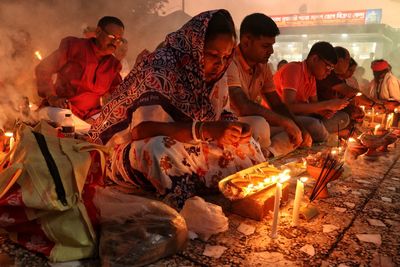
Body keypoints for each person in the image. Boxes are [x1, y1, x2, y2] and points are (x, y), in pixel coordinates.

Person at [89, 10, 265, 208]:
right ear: (195, 48)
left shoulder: (218, 74)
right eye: (213, 55)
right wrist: (203, 130)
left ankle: (225, 187)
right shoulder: (162, 67)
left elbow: (221, 113)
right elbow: (140, 130)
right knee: (159, 149)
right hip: (131, 147)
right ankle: (185, 195)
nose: (220, 64)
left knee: (246, 144)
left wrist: (234, 127)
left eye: (226, 57)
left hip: (192, 143)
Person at [227, 13, 310, 157]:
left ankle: (267, 153)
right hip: (228, 124)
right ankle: (261, 153)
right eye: (266, 46)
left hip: (254, 127)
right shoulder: (229, 60)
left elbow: (276, 104)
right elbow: (243, 106)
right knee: (260, 125)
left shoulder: (263, 66)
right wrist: (285, 122)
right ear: (246, 41)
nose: (271, 51)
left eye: (272, 45)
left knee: (298, 131)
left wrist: (297, 126)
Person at [35, 16, 124, 122]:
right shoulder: (74, 47)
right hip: (62, 110)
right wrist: (52, 97)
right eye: (111, 37)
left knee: (112, 127)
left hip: (90, 116)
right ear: (98, 31)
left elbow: (119, 94)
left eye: (119, 40)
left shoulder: (113, 65)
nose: (115, 42)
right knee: (63, 119)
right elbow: (43, 69)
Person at [274, 41, 350, 142]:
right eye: (328, 67)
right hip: (282, 117)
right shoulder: (293, 69)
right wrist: (326, 104)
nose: (328, 72)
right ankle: (326, 138)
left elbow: (314, 105)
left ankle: (320, 135)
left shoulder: (312, 78)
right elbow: (289, 107)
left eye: (331, 69)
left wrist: (325, 111)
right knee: (314, 125)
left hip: (302, 118)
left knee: (343, 118)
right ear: (314, 59)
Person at [316, 48, 382, 133]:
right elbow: (351, 93)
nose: (348, 64)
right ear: (340, 61)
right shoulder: (329, 75)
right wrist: (372, 104)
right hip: (319, 116)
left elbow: (346, 98)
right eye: (347, 60)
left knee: (349, 120)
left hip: (327, 113)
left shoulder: (338, 78)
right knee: (344, 118)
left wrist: (352, 109)